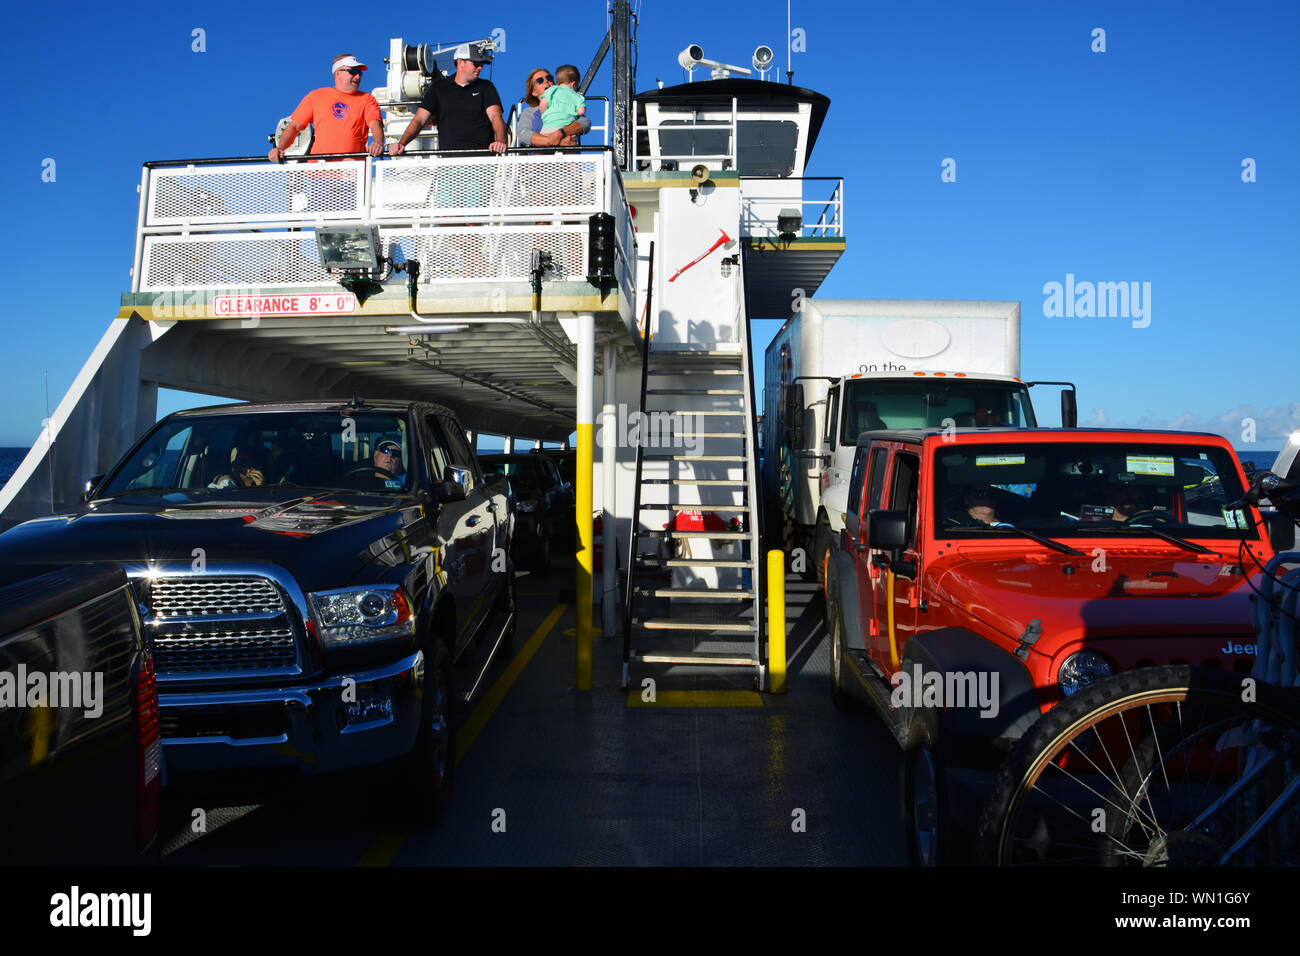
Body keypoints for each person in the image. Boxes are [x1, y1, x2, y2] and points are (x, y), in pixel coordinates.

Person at [389, 43, 507, 155]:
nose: (480, 67)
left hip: (481, 161)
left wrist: (501, 140)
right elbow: (419, 119)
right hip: (448, 163)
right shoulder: (439, 88)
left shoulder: (486, 87)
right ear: (460, 62)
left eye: (482, 64)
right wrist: (402, 143)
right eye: (476, 63)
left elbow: (495, 116)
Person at [268, 54, 384, 162]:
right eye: (353, 71)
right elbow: (294, 126)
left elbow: (375, 124)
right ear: (337, 73)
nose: (358, 76)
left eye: (360, 73)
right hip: (319, 171)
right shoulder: (316, 96)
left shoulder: (367, 99)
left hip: (352, 172)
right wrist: (280, 148)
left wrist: (378, 142)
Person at [514, 67, 591, 146]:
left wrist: (561, 133)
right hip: (540, 157)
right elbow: (523, 134)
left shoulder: (568, 104)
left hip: (567, 156)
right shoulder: (529, 112)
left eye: (549, 78)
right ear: (534, 92)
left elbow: (585, 123)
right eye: (540, 80)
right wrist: (555, 141)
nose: (546, 81)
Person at [538, 64, 585, 133]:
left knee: (545, 141)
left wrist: (544, 114)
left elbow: (543, 103)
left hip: (548, 127)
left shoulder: (552, 90)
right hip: (566, 128)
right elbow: (581, 111)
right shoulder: (578, 96)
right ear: (573, 84)